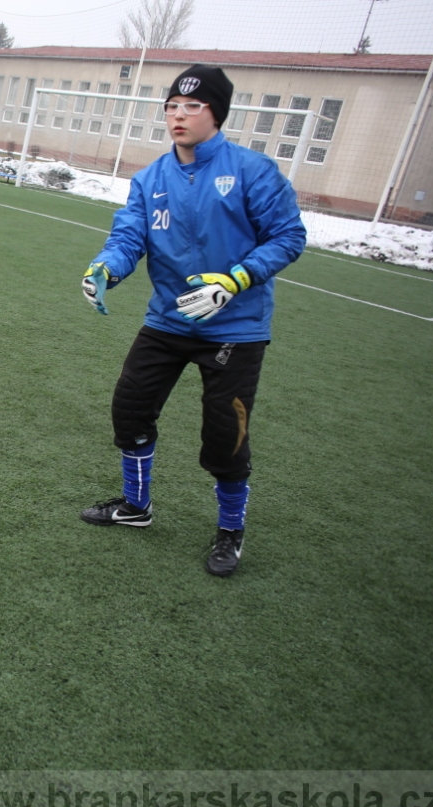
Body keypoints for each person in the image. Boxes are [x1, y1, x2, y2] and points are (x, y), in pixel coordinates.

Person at [77, 65, 306, 578]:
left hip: (235, 329)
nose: (179, 115)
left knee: (226, 438)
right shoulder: (150, 178)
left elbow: (289, 236)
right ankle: (136, 507)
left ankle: (230, 531)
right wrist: (105, 268)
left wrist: (236, 280)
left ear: (216, 113)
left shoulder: (253, 171)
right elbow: (128, 237)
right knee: (130, 411)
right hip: (167, 321)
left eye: (193, 107)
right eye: (172, 107)